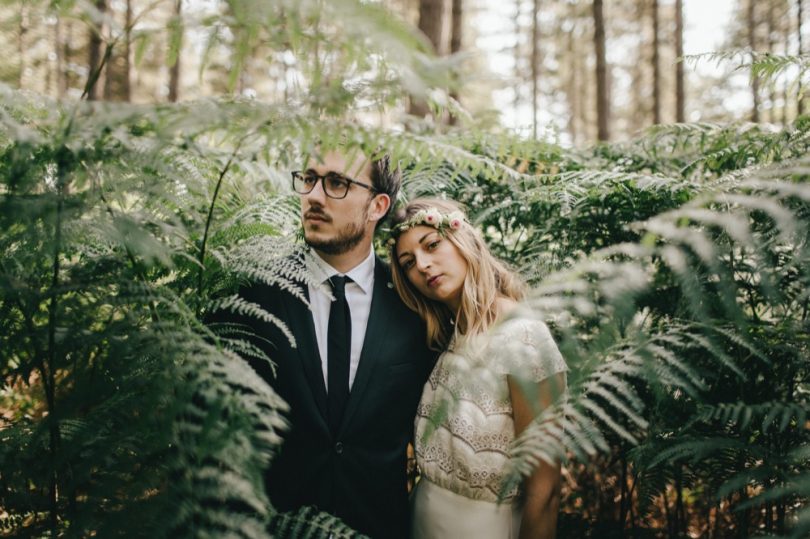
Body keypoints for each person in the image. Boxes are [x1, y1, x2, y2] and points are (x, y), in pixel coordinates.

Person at [224, 146, 434, 538]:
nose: (314, 196)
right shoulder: (254, 294)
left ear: (377, 206)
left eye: (337, 183)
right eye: (309, 179)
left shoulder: (414, 304)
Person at [389, 198, 567, 539]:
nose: (423, 265)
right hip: (420, 522)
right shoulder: (449, 336)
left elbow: (544, 492)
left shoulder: (524, 337)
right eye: (408, 262)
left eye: (432, 245)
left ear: (463, 239)